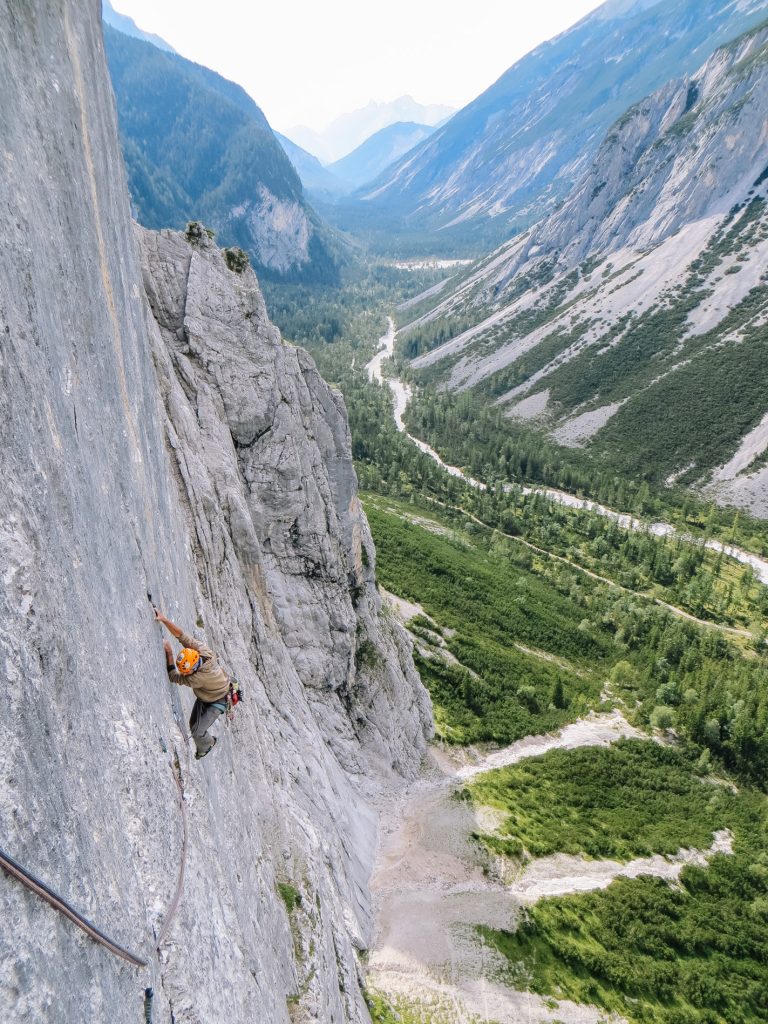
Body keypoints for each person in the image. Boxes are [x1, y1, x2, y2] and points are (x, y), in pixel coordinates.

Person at [154, 609, 229, 760]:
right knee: (192, 724)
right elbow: (181, 636)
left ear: (194, 668)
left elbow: (173, 676)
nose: (186, 674)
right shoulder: (202, 651)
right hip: (209, 692)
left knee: (197, 731)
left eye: (187, 672)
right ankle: (204, 743)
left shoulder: (198, 678)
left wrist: (169, 653)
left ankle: (209, 744)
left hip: (218, 700)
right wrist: (163, 619)